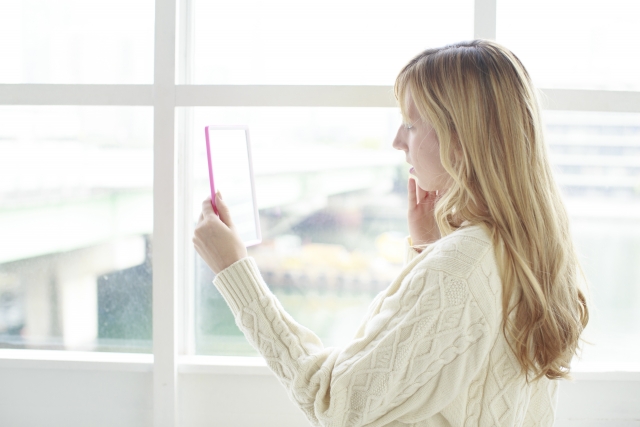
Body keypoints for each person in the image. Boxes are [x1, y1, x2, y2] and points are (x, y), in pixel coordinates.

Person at [193, 39, 589, 426]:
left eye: (411, 125)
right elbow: (464, 381)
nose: (398, 141)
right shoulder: (532, 249)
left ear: (461, 140)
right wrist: (428, 248)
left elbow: (331, 403)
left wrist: (235, 271)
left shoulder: (459, 269)